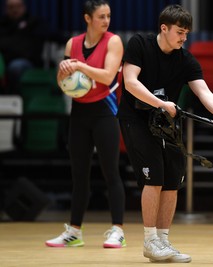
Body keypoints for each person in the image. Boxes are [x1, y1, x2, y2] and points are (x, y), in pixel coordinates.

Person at [117, 4, 213, 263]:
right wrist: (162, 103)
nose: (183, 38)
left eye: (186, 33)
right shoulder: (139, 44)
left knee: (173, 178)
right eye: (179, 32)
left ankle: (163, 240)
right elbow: (130, 82)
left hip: (165, 122)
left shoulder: (185, 59)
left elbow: (205, 93)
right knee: (153, 177)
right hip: (136, 119)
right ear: (163, 28)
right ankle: (150, 240)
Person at [45, 0, 126, 248]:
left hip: (105, 112)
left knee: (110, 171)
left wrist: (79, 65)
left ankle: (118, 230)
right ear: (87, 18)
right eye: (101, 16)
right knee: (79, 175)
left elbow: (108, 76)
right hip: (79, 113)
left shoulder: (113, 41)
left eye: (108, 16)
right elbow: (66, 83)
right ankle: (74, 232)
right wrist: (62, 73)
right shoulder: (73, 44)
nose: (106, 21)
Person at [0, 0, 48, 93]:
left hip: (28, 62)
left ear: (23, 7)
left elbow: (54, 35)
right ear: (5, 9)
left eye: (17, 6)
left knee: (16, 66)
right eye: (11, 7)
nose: (14, 10)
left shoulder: (34, 22)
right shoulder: (2, 24)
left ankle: (14, 98)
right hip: (4, 61)